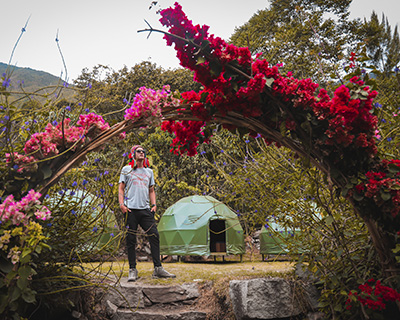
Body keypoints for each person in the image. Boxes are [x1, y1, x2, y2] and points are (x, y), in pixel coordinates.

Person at [118, 145, 176, 281]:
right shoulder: (127, 170)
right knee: (131, 239)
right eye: (139, 151)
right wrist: (122, 204)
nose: (142, 153)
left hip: (145, 210)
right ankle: (132, 269)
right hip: (130, 210)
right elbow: (121, 188)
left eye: (143, 152)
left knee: (154, 235)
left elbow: (151, 190)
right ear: (133, 154)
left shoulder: (149, 172)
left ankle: (158, 269)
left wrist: (154, 204)